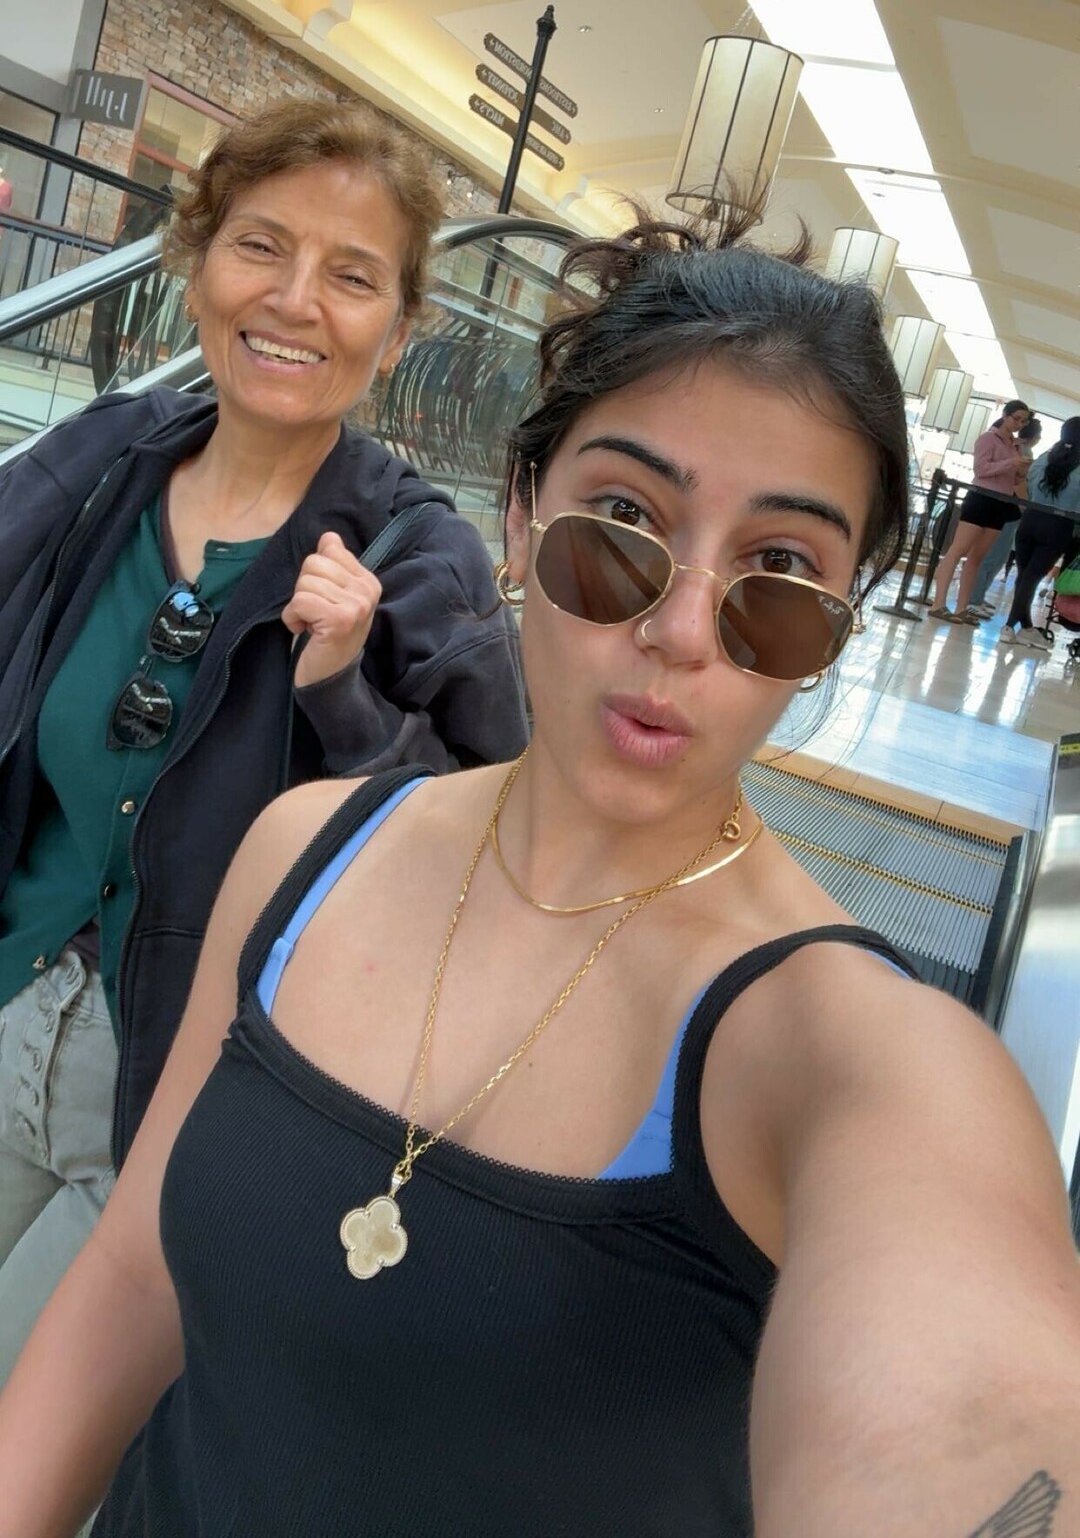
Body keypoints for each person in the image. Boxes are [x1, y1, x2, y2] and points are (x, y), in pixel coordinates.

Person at [2, 202, 1078, 1538]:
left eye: (780, 573)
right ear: (518, 519)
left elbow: (967, 1413)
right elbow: (136, 1276)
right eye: (622, 521)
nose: (682, 629)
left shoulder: (853, 1057)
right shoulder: (302, 853)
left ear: (838, 629)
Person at [0, 98, 528, 1387]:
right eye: (260, 246)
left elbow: (488, 853)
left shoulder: (419, 563)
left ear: (400, 329)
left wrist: (345, 695)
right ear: (196, 266)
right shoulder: (98, 470)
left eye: (352, 276)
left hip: (189, 1090)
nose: (294, 301)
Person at [927, 398, 1031, 625]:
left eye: (1024, 421)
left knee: (978, 557)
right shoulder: (988, 438)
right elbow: (981, 469)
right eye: (1017, 419)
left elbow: (1013, 480)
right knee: (958, 550)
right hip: (980, 498)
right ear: (1005, 415)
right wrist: (1011, 464)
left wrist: (1021, 471)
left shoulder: (1015, 445)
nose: (1019, 424)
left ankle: (962, 607)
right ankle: (938, 603)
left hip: (1001, 502)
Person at [1000, 415, 1080, 654]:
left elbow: (1029, 485)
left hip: (1030, 520)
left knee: (1024, 576)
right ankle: (1008, 627)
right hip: (1059, 526)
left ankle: (1026, 628)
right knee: (1031, 578)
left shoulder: (1046, 457)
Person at [969, 415, 1041, 617]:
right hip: (1009, 507)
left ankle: (978, 595)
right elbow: (1019, 483)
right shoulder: (1019, 450)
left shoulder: (1017, 448)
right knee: (993, 555)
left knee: (996, 555)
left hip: (1009, 508)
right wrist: (1026, 506)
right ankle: (974, 598)